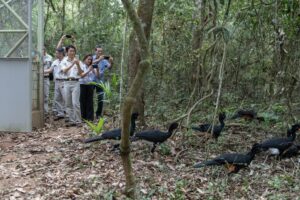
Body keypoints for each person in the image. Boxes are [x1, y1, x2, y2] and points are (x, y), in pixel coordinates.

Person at [61, 45, 83, 127]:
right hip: (66, 82)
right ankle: (72, 120)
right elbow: (64, 70)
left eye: (73, 51)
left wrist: (77, 65)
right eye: (70, 51)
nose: (72, 52)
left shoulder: (79, 62)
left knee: (75, 103)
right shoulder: (64, 61)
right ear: (67, 52)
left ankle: (78, 121)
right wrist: (72, 64)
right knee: (68, 103)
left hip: (76, 83)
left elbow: (81, 73)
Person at [44, 48, 66, 121]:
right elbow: (50, 70)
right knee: (57, 98)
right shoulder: (55, 62)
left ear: (61, 53)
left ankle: (69, 114)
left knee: (66, 98)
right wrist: (41, 71)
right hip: (57, 81)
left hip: (64, 81)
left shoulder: (66, 61)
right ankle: (60, 114)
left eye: (57, 53)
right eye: (56, 53)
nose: (56, 55)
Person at [92, 46, 112, 118]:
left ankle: (98, 114)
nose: (100, 52)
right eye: (98, 51)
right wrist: (98, 60)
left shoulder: (104, 60)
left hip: (100, 82)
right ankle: (90, 114)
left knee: (101, 98)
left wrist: (110, 61)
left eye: (101, 51)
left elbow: (109, 67)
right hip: (91, 81)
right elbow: (89, 63)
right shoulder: (92, 58)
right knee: (90, 97)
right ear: (95, 51)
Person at [79, 54, 99, 121]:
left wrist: (97, 69)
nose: (89, 61)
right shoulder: (81, 65)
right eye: (88, 59)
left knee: (90, 101)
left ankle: (90, 118)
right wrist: (89, 70)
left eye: (91, 59)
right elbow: (81, 75)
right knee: (82, 101)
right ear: (84, 59)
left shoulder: (92, 66)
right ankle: (83, 117)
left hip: (90, 85)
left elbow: (97, 76)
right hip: (82, 84)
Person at [42, 47, 53, 116]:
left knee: (46, 95)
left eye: (43, 49)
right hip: (38, 78)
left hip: (46, 77)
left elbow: (51, 68)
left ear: (45, 50)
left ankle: (45, 112)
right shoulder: (36, 56)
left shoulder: (49, 57)